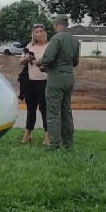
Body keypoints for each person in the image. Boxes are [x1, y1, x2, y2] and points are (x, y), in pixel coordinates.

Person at [38, 15, 79, 150]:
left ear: (56, 25)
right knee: (66, 111)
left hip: (56, 79)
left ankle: (54, 143)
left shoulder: (57, 38)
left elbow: (48, 58)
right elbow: (75, 62)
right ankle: (68, 143)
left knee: (53, 112)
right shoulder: (74, 40)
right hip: (69, 78)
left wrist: (39, 62)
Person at [20, 23, 50, 146]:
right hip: (30, 82)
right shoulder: (29, 46)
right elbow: (21, 61)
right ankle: (28, 134)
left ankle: (48, 135)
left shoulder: (50, 46)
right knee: (30, 109)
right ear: (33, 34)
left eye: (40, 31)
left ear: (45, 33)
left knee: (45, 109)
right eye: (36, 32)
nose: (38, 34)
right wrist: (26, 59)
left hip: (45, 81)